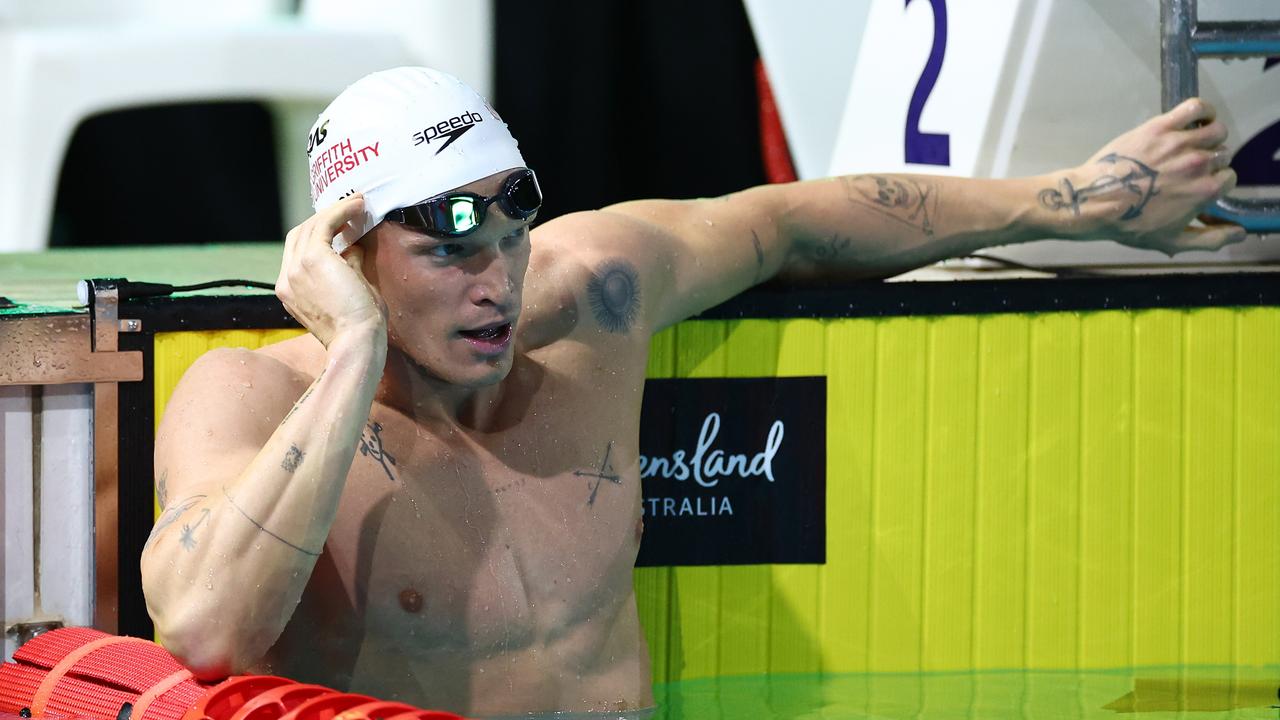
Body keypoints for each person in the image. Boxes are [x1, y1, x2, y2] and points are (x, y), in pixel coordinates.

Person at [140, 67, 1243, 718]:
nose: (500, 288)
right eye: (450, 256)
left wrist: (1076, 201)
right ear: (345, 253)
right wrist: (352, 354)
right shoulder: (247, 398)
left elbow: (788, 219)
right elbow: (205, 632)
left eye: (513, 239)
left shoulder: (590, 302)